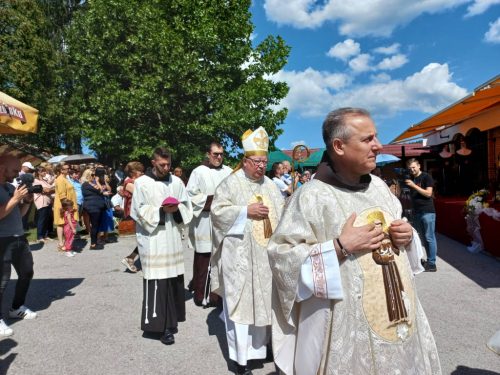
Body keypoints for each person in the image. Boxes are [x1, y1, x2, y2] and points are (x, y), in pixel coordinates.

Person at [267, 108, 440, 375]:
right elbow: (281, 256)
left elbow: (399, 228)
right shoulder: (311, 196)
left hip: (397, 312)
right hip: (345, 328)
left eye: (376, 137)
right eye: (367, 139)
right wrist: (338, 247)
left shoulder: (380, 187)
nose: (378, 146)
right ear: (339, 146)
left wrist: (407, 236)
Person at [210, 127, 285, 375]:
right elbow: (217, 213)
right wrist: (245, 211)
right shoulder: (230, 184)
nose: (262, 166)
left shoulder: (272, 186)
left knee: (264, 303)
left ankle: (260, 350)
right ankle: (240, 359)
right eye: (257, 162)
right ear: (245, 161)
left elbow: (283, 216)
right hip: (239, 258)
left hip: (265, 259)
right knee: (241, 305)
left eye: (265, 162)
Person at [131, 147, 192, 345]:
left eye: (168, 164)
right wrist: (160, 210)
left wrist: (176, 210)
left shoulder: (176, 181)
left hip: (172, 237)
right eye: (162, 164)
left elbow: (186, 205)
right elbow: (138, 210)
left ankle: (172, 320)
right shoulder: (141, 183)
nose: (166, 168)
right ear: (153, 162)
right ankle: (159, 326)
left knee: (173, 279)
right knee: (158, 281)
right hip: (154, 239)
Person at [186, 141, 232, 306]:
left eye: (221, 154)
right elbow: (190, 196)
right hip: (205, 221)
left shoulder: (229, 171)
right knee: (204, 258)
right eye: (215, 154)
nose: (219, 157)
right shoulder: (198, 172)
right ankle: (201, 295)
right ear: (208, 154)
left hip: (224, 222)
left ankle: (219, 297)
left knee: (223, 258)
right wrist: (213, 201)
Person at [0, 155, 37, 337]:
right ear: (1, 168)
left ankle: (16, 307)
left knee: (27, 272)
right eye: (14, 171)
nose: (17, 175)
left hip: (19, 237)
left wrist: (28, 200)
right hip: (2, 240)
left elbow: (19, 213)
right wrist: (15, 198)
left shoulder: (10, 187)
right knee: (2, 280)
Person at [406, 158, 438, 272]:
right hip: (417, 212)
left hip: (427, 211)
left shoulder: (426, 177)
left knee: (430, 237)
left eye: (414, 167)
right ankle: (427, 261)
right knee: (423, 238)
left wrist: (414, 186)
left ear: (419, 166)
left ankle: (432, 263)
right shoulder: (410, 178)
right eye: (410, 168)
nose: (412, 170)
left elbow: (429, 193)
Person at [120, 162, 144, 273]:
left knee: (144, 238)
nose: (142, 173)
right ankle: (131, 259)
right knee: (144, 238)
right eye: (140, 171)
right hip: (133, 214)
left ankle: (131, 258)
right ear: (133, 172)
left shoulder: (135, 182)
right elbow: (141, 194)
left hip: (139, 212)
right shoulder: (129, 183)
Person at [54, 163, 79, 252]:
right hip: (64, 205)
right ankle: (61, 244)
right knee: (61, 223)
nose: (69, 170)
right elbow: (62, 195)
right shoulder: (60, 179)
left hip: (68, 204)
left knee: (67, 224)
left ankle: (67, 243)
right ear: (61, 170)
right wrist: (68, 207)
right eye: (67, 168)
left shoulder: (65, 179)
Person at [81, 170, 106, 250]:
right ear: (87, 176)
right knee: (94, 225)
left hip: (97, 206)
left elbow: (100, 189)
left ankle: (95, 242)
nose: (94, 176)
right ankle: (93, 244)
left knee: (96, 225)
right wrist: (98, 181)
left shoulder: (91, 184)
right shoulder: (86, 184)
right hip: (93, 206)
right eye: (92, 175)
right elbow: (100, 190)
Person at [33, 166, 55, 243]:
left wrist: (50, 190)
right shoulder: (36, 181)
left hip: (48, 202)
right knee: (41, 219)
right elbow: (45, 190)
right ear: (39, 172)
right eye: (43, 171)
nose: (45, 172)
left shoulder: (45, 181)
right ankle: (40, 236)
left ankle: (45, 235)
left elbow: (51, 190)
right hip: (41, 202)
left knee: (47, 219)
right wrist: (51, 189)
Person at [95, 167, 113, 244]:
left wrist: (105, 182)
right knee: (100, 219)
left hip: (107, 201)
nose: (105, 174)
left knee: (108, 218)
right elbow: (98, 191)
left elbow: (110, 190)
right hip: (100, 201)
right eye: (104, 172)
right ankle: (98, 238)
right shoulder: (95, 181)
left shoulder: (103, 181)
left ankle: (106, 237)